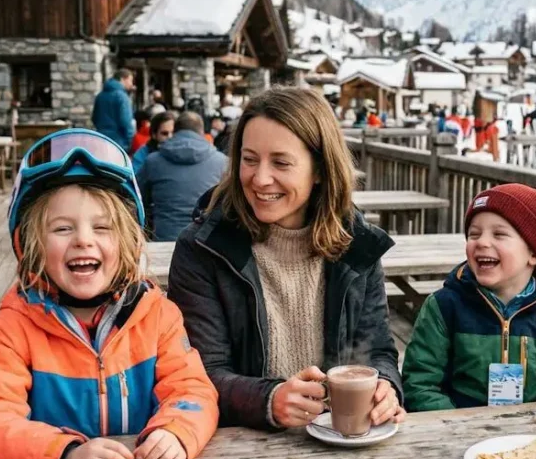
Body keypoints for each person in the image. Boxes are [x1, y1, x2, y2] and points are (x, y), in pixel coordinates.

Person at [0, 128, 218, 459]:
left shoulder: (157, 316)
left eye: (102, 227)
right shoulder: (12, 329)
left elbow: (192, 389)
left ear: (127, 241)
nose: (83, 240)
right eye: (62, 229)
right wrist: (63, 454)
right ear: (30, 244)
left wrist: (175, 430)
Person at [166, 87, 405, 431]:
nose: (260, 179)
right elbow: (199, 374)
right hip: (240, 445)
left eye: (281, 162)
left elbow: (379, 350)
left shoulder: (356, 244)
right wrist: (268, 400)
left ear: (320, 169)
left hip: (341, 440)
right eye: (249, 159)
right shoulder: (202, 248)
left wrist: (386, 387)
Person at [401, 184, 536, 411]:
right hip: (457, 431)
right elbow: (420, 383)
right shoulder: (444, 306)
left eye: (499, 234)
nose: (482, 242)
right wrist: (456, 427)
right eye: (474, 234)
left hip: (533, 436)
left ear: (533, 253)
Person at [138, 111, 227, 242]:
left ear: (175, 131)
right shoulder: (222, 162)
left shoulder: (153, 161)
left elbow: (138, 201)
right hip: (205, 244)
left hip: (163, 240)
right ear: (202, 132)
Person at [92, 68, 136, 150]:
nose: (131, 84)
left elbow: (94, 118)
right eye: (130, 80)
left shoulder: (100, 95)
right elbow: (126, 120)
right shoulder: (122, 96)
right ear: (123, 79)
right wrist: (130, 139)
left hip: (100, 138)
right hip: (118, 141)